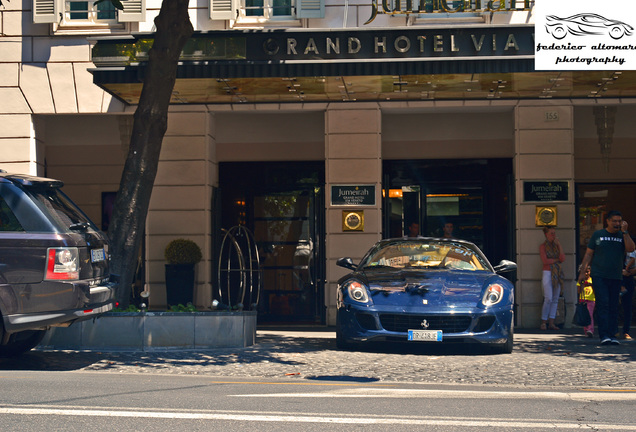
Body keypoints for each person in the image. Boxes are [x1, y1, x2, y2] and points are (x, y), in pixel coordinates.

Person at [578, 210, 636, 345]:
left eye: (619, 221)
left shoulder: (622, 235)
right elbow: (588, 254)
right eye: (614, 221)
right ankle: (604, 335)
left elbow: (631, 249)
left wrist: (625, 232)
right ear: (608, 221)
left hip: (616, 276)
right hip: (599, 275)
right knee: (603, 303)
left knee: (613, 305)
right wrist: (583, 270)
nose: (617, 223)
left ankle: (612, 334)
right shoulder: (598, 235)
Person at [539, 226, 565, 330]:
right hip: (548, 272)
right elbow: (545, 261)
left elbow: (562, 258)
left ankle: (551, 322)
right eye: (551, 233)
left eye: (554, 233)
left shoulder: (557, 246)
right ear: (546, 234)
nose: (553, 235)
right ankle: (543, 322)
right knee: (548, 298)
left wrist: (559, 245)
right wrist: (556, 260)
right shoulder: (543, 246)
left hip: (557, 273)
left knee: (555, 298)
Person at [619, 248, 635, 340]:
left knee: (627, 307)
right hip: (616, 279)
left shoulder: (632, 253)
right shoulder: (617, 251)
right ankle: (613, 330)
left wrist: (628, 271)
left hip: (628, 281)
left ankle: (626, 331)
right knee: (613, 306)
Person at [577, 266, 596, 338]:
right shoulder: (580, 280)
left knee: (590, 314)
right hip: (583, 299)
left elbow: (595, 290)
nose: (586, 274)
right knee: (584, 315)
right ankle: (586, 330)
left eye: (587, 272)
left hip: (591, 299)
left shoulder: (592, 280)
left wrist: (590, 284)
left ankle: (590, 329)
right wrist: (582, 285)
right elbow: (578, 291)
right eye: (584, 272)